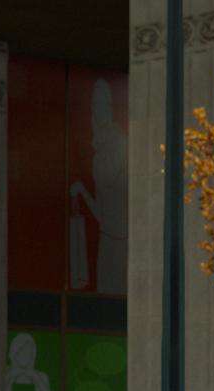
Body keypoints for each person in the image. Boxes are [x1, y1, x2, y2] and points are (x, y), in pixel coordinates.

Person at [68, 78, 128, 295]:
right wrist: (82, 192)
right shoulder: (100, 152)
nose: (97, 109)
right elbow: (103, 214)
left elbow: (112, 184)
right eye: (94, 104)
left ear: (110, 106)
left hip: (122, 243)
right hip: (108, 239)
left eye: (102, 103)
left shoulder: (119, 143)